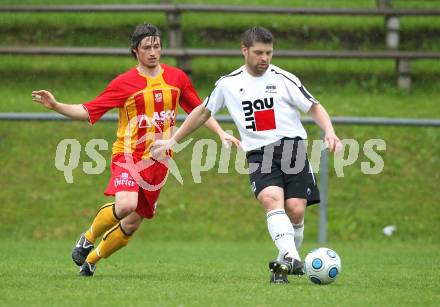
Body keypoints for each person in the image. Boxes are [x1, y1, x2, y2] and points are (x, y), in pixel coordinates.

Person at [31, 23, 240, 277]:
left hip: (159, 162)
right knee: (127, 204)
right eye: (146, 47)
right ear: (135, 51)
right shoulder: (124, 83)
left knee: (132, 223)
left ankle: (92, 260)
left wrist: (219, 132)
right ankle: (87, 238)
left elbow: (200, 110)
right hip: (128, 156)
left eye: (157, 46)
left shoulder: (177, 79)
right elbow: (89, 110)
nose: (153, 52)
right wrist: (56, 105)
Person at [151, 26, 342, 284]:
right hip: (259, 153)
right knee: (271, 199)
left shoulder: (284, 78)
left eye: (269, 53)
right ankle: (292, 257)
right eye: (258, 53)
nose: (264, 58)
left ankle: (282, 267)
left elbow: (314, 106)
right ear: (245, 50)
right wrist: (172, 140)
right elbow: (202, 112)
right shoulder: (229, 84)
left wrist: (329, 131)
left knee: (295, 210)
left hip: (292, 147)